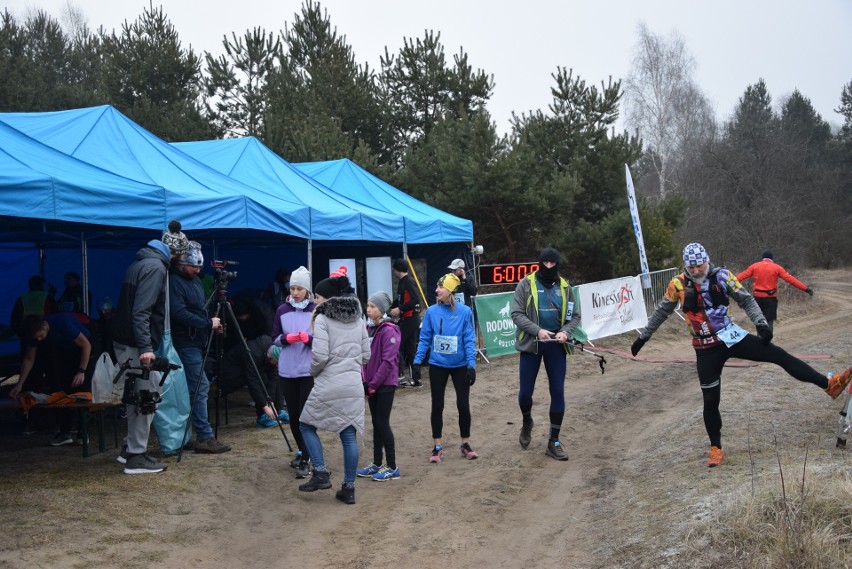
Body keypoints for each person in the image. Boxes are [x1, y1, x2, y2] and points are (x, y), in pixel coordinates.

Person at [631, 242, 851, 468]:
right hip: (705, 347)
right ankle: (716, 449)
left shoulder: (723, 276)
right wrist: (643, 337)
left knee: (779, 356)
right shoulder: (676, 284)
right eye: (691, 267)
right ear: (685, 266)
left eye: (699, 265)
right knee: (710, 399)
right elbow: (661, 312)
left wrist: (761, 324)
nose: (696, 271)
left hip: (731, 336)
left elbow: (746, 299)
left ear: (706, 261)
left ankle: (829, 384)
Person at [111, 220, 187, 475]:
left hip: (126, 339)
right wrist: (146, 348)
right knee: (146, 396)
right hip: (136, 343)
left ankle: (129, 450)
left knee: (139, 394)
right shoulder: (155, 268)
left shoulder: (141, 262)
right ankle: (135, 456)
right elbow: (141, 311)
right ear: (174, 254)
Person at [297, 274, 370, 505]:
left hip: (329, 382)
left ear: (326, 299)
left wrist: (313, 371)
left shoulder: (322, 319)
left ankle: (319, 472)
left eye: (317, 297)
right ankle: (349, 488)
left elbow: (320, 355)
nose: (315, 301)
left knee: (305, 424)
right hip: (353, 384)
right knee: (348, 435)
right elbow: (366, 356)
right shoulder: (359, 319)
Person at [510, 247, 580, 461]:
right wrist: (537, 331)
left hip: (556, 347)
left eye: (553, 263)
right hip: (532, 344)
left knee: (558, 392)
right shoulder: (526, 284)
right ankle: (527, 420)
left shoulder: (565, 287)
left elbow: (574, 316)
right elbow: (516, 313)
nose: (549, 267)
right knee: (525, 394)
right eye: (545, 263)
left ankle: (554, 441)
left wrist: (565, 333)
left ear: (557, 264)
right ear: (539, 263)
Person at [169, 241, 230, 454]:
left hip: (198, 340)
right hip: (185, 342)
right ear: (181, 264)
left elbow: (200, 308)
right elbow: (177, 312)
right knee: (200, 386)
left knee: (195, 387)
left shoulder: (194, 281)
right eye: (193, 266)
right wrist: (206, 323)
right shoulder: (175, 282)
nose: (197, 270)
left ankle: (190, 434)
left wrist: (212, 324)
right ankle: (204, 435)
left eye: (198, 266)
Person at [413, 272, 478, 463]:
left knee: (463, 405)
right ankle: (437, 446)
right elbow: (425, 338)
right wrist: (417, 362)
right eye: (437, 287)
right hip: (438, 365)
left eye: (440, 287)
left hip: (460, 365)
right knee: (437, 405)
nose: (436, 290)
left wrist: (471, 365)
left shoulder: (465, 312)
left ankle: (465, 443)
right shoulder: (432, 312)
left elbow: (469, 339)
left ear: (450, 290)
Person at [9, 313, 92, 446]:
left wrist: (81, 371)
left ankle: (83, 431)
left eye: (41, 336)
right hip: (65, 350)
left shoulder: (62, 324)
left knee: (82, 390)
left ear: (44, 326)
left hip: (86, 348)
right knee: (62, 389)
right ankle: (65, 432)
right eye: (37, 338)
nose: (40, 340)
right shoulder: (34, 336)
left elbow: (86, 345)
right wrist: (20, 384)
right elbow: (29, 358)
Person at [271, 266, 316, 478]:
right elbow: (275, 337)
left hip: (307, 371)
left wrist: (309, 340)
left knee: (306, 416)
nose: (295, 292)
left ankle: (307, 458)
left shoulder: (316, 310)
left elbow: (323, 340)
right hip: (287, 370)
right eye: (293, 288)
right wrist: (284, 340)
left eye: (299, 288)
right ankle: (303, 451)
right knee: (295, 417)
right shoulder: (282, 310)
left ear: (307, 290)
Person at [357, 291, 402, 481]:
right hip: (371, 384)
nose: (368, 310)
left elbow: (388, 362)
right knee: (376, 423)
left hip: (385, 384)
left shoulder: (389, 330)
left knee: (383, 423)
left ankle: (392, 467)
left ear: (382, 309)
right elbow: (365, 359)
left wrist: (373, 384)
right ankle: (377, 463)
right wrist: (365, 381)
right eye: (367, 306)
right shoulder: (370, 329)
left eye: (373, 306)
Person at [736, 250, 813, 332]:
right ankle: (767, 341)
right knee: (769, 321)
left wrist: (726, 283)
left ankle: (760, 339)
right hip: (770, 298)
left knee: (759, 321)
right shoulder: (777, 268)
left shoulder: (755, 266)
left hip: (757, 298)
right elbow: (791, 280)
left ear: (763, 258)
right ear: (772, 259)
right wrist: (805, 288)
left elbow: (741, 276)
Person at [389, 258, 423, 387]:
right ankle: (416, 379)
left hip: (411, 319)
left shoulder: (408, 281)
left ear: (397, 270)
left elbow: (415, 300)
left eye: (393, 269)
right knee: (410, 349)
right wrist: (389, 308)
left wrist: (400, 309)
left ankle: (400, 377)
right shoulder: (402, 282)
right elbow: (400, 300)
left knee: (396, 345)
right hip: (408, 319)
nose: (393, 272)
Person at [11, 275, 58, 340]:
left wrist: (20, 333)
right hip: (45, 330)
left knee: (29, 349)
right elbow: (56, 314)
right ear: (42, 285)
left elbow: (15, 317)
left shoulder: (22, 298)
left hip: (27, 331)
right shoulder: (48, 296)